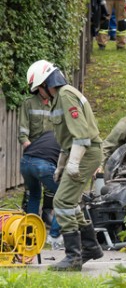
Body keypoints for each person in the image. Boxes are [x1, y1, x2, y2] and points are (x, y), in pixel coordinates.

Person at [26, 60, 103, 271]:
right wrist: (61, 166)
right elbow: (66, 141)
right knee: (72, 202)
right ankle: (90, 247)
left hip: (86, 153)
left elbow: (81, 135)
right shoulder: (60, 98)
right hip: (78, 152)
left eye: (38, 89)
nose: (39, 94)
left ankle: (73, 257)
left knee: (61, 201)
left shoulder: (66, 95)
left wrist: (74, 163)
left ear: (45, 84)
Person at [18, 81, 63, 249]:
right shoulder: (28, 103)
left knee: (50, 192)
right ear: (39, 88)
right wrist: (29, 145)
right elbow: (23, 132)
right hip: (35, 151)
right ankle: (34, 231)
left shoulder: (57, 104)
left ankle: (46, 216)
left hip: (50, 153)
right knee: (34, 193)